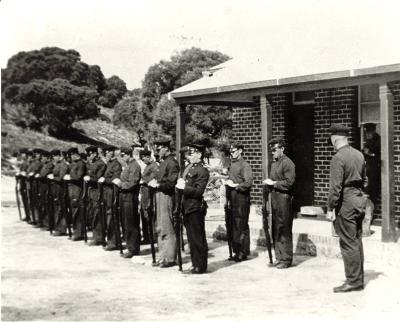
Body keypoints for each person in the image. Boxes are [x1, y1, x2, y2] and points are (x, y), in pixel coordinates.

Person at [326, 124, 367, 293]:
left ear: (334, 139)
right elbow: (365, 180)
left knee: (348, 242)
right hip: (358, 198)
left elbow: (335, 187)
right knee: (356, 240)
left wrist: (330, 207)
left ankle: (353, 281)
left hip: (346, 202)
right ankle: (358, 278)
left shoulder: (338, 158)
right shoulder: (359, 154)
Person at [176, 143, 210, 274]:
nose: (189, 156)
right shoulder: (190, 168)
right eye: (189, 154)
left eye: (192, 153)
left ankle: (200, 266)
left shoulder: (202, 170)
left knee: (197, 237)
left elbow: (198, 191)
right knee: (191, 237)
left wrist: (184, 187)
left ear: (199, 154)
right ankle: (195, 262)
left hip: (195, 207)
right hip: (187, 206)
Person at [263, 137, 296, 269]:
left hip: (284, 198)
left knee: (284, 228)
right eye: (271, 150)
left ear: (282, 149)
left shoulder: (288, 163)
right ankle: (279, 257)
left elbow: (289, 183)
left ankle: (286, 259)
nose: (272, 152)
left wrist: (274, 183)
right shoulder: (275, 163)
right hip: (275, 198)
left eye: (275, 150)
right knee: (276, 227)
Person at [148, 138, 180, 268]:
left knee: (167, 226)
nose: (157, 150)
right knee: (160, 226)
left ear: (166, 148)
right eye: (156, 148)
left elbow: (171, 183)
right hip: (159, 195)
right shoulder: (163, 162)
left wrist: (158, 185)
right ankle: (163, 255)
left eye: (159, 148)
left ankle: (170, 257)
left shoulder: (172, 163)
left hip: (166, 196)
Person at [225, 142, 253, 262]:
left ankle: (243, 252)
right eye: (230, 152)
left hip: (241, 197)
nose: (231, 154)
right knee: (232, 224)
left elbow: (248, 183)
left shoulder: (244, 165)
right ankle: (236, 250)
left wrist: (235, 185)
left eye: (234, 151)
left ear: (240, 151)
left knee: (241, 224)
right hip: (231, 197)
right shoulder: (232, 164)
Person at [113, 146, 142, 258]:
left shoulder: (134, 166)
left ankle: (133, 248)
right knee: (126, 222)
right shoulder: (128, 166)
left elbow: (132, 183)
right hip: (124, 197)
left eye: (123, 155)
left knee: (131, 223)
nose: (122, 157)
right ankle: (130, 246)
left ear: (128, 154)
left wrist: (120, 184)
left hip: (130, 197)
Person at [99, 145, 122, 251]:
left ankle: (113, 242)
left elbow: (116, 178)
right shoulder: (108, 164)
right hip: (106, 192)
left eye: (109, 152)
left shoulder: (116, 164)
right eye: (106, 152)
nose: (108, 154)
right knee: (107, 216)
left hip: (112, 192)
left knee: (111, 216)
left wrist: (105, 180)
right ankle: (110, 240)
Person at [84, 146, 107, 246]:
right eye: (88, 155)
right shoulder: (92, 164)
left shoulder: (100, 164)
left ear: (94, 154)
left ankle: (99, 238)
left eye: (90, 154)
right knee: (92, 214)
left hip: (98, 192)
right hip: (91, 192)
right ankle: (95, 236)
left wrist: (89, 178)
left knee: (98, 215)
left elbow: (98, 177)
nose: (89, 157)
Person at [64, 147, 86, 241]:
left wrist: (70, 177)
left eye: (71, 155)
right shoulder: (73, 164)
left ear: (75, 154)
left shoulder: (81, 164)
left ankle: (78, 233)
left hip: (77, 190)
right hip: (71, 190)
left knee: (77, 212)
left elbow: (79, 177)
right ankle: (75, 232)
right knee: (73, 211)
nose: (71, 157)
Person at [362, 123, 381, 235]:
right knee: (367, 198)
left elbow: (379, 157)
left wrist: (370, 153)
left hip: (375, 175)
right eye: (366, 132)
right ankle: (365, 228)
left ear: (373, 131)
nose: (367, 134)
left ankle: (366, 228)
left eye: (369, 132)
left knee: (370, 198)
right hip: (368, 174)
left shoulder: (378, 141)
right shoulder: (368, 141)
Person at [139, 148, 159, 247]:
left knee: (149, 212)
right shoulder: (148, 166)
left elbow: (153, 178)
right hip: (144, 192)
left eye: (144, 158)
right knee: (144, 213)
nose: (143, 160)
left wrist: (143, 180)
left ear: (148, 157)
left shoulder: (154, 166)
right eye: (142, 158)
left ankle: (152, 236)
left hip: (149, 192)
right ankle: (147, 236)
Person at [50, 149, 70, 236]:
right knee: (57, 208)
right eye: (53, 156)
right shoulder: (58, 164)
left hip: (61, 189)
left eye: (56, 156)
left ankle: (61, 229)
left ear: (60, 156)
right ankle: (58, 227)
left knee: (61, 209)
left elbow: (61, 178)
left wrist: (53, 178)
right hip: (56, 189)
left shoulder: (63, 165)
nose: (54, 158)